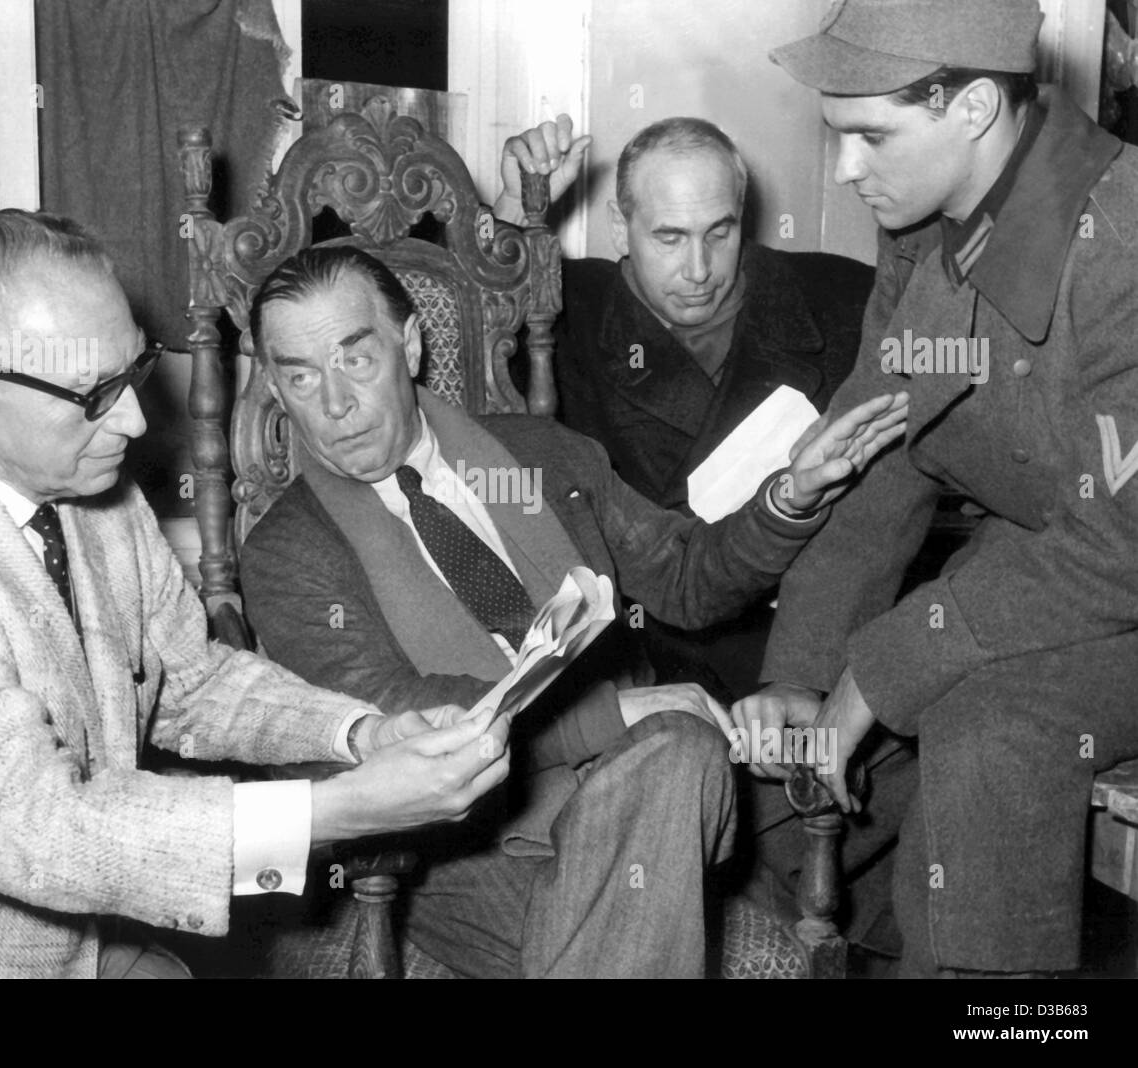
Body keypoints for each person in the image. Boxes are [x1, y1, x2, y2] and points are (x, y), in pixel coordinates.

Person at [0, 209, 516, 979]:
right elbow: (33, 826)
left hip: (92, 936)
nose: (131, 419)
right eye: (92, 392)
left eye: (132, 370)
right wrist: (339, 809)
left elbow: (193, 682)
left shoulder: (92, 492)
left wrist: (357, 734)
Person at [238, 243, 907, 978]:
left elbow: (687, 577)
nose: (333, 405)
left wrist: (790, 495)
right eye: (300, 377)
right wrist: (614, 716)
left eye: (355, 360)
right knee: (679, 751)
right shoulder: (288, 551)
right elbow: (401, 714)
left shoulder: (539, 457)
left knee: (715, 754)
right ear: (273, 383)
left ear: (410, 343)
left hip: (651, 786)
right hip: (469, 844)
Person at [736, 0, 1138, 977]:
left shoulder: (1121, 249)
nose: (845, 171)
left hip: (1117, 570)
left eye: (870, 135)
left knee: (990, 725)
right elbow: (875, 458)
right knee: (766, 800)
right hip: (1057, 563)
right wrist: (806, 672)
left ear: (967, 108)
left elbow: (1121, 548)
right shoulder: (928, 229)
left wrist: (879, 669)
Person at [496, 116, 876, 703]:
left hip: (818, 658)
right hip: (646, 672)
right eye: (669, 238)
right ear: (620, 229)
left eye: (719, 233)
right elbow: (461, 342)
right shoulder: (561, 318)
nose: (699, 271)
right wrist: (514, 213)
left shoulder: (844, 303)